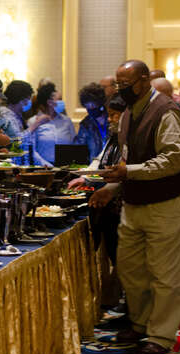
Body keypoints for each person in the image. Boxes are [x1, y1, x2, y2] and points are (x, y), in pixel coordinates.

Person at [90, 60, 180, 354]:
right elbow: (129, 159)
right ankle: (139, 323)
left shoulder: (166, 111)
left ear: (143, 80)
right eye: (118, 84)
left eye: (126, 84)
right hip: (136, 202)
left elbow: (173, 160)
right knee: (130, 268)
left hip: (170, 201)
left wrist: (128, 172)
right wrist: (110, 188)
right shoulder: (127, 113)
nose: (120, 90)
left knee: (167, 274)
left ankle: (160, 335)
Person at [68, 94, 127, 309]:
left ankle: (130, 309)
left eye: (114, 115)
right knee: (115, 255)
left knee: (124, 260)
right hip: (109, 205)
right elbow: (100, 161)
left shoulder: (130, 137)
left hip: (123, 206)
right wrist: (84, 177)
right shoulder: (114, 136)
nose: (109, 119)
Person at [25, 82, 76, 166]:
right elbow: (31, 150)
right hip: (43, 168)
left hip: (66, 168)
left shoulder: (66, 121)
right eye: (59, 99)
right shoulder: (33, 121)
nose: (62, 102)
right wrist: (47, 165)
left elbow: (74, 145)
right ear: (49, 102)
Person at [74, 83, 109, 162]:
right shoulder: (86, 124)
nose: (91, 110)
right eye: (87, 107)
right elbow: (78, 148)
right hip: (93, 166)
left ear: (100, 103)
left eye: (93, 106)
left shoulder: (112, 119)